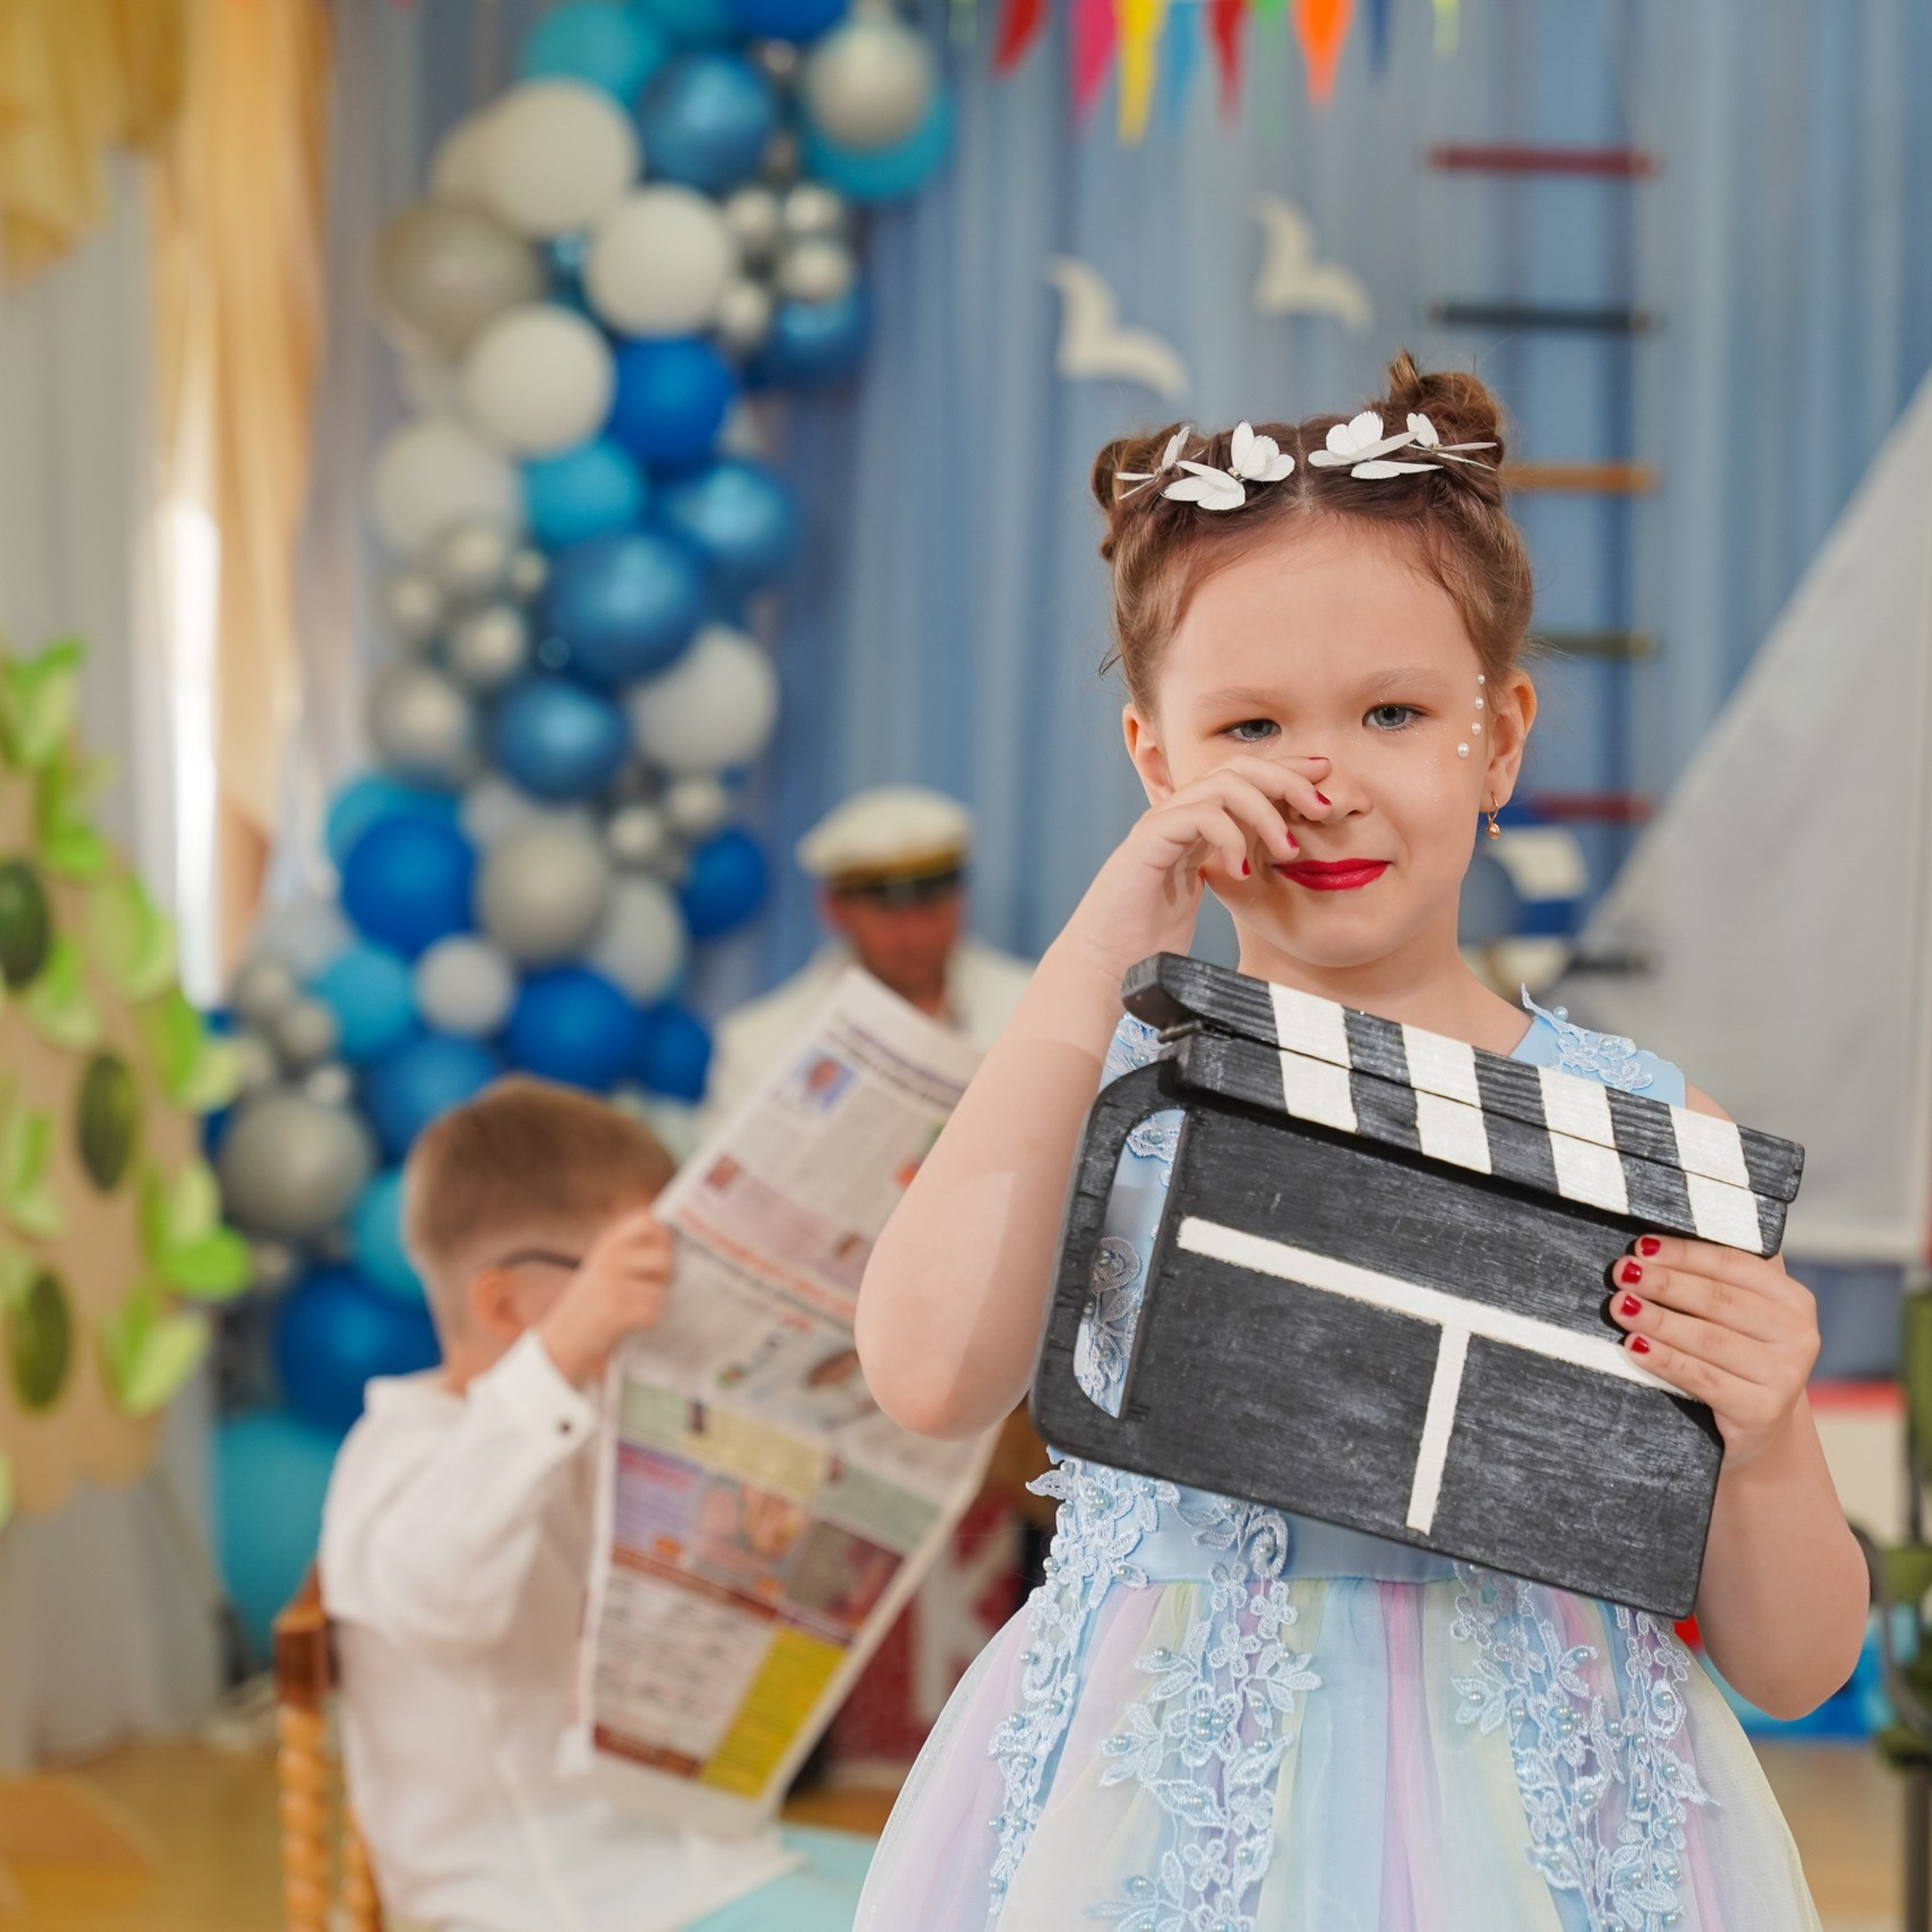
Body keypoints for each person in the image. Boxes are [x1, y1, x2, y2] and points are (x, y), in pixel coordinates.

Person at [849, 360, 1861, 1929]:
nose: (1321, 780)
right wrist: (1109, 934)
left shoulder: (1645, 1136)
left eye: (1392, 711)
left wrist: (1769, 1420)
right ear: (1153, 758)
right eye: (1249, 722)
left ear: (1497, 737)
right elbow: (924, 1373)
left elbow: (1794, 1661)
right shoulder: (1104, 1086)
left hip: (1548, 1832)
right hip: (1158, 1814)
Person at [320, 1078, 870, 1932]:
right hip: (556, 1899)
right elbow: (437, 1599)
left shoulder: (593, 1431)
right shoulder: (397, 1453)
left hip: (706, 1858)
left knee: (999, 1877)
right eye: (642, 1276)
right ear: (505, 1303)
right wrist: (566, 1345)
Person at [700, 786, 1032, 1131]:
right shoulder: (757, 1046)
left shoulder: (1036, 1006)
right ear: (833, 909)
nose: (914, 935)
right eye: (889, 914)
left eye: (932, 909)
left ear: (961, 899)